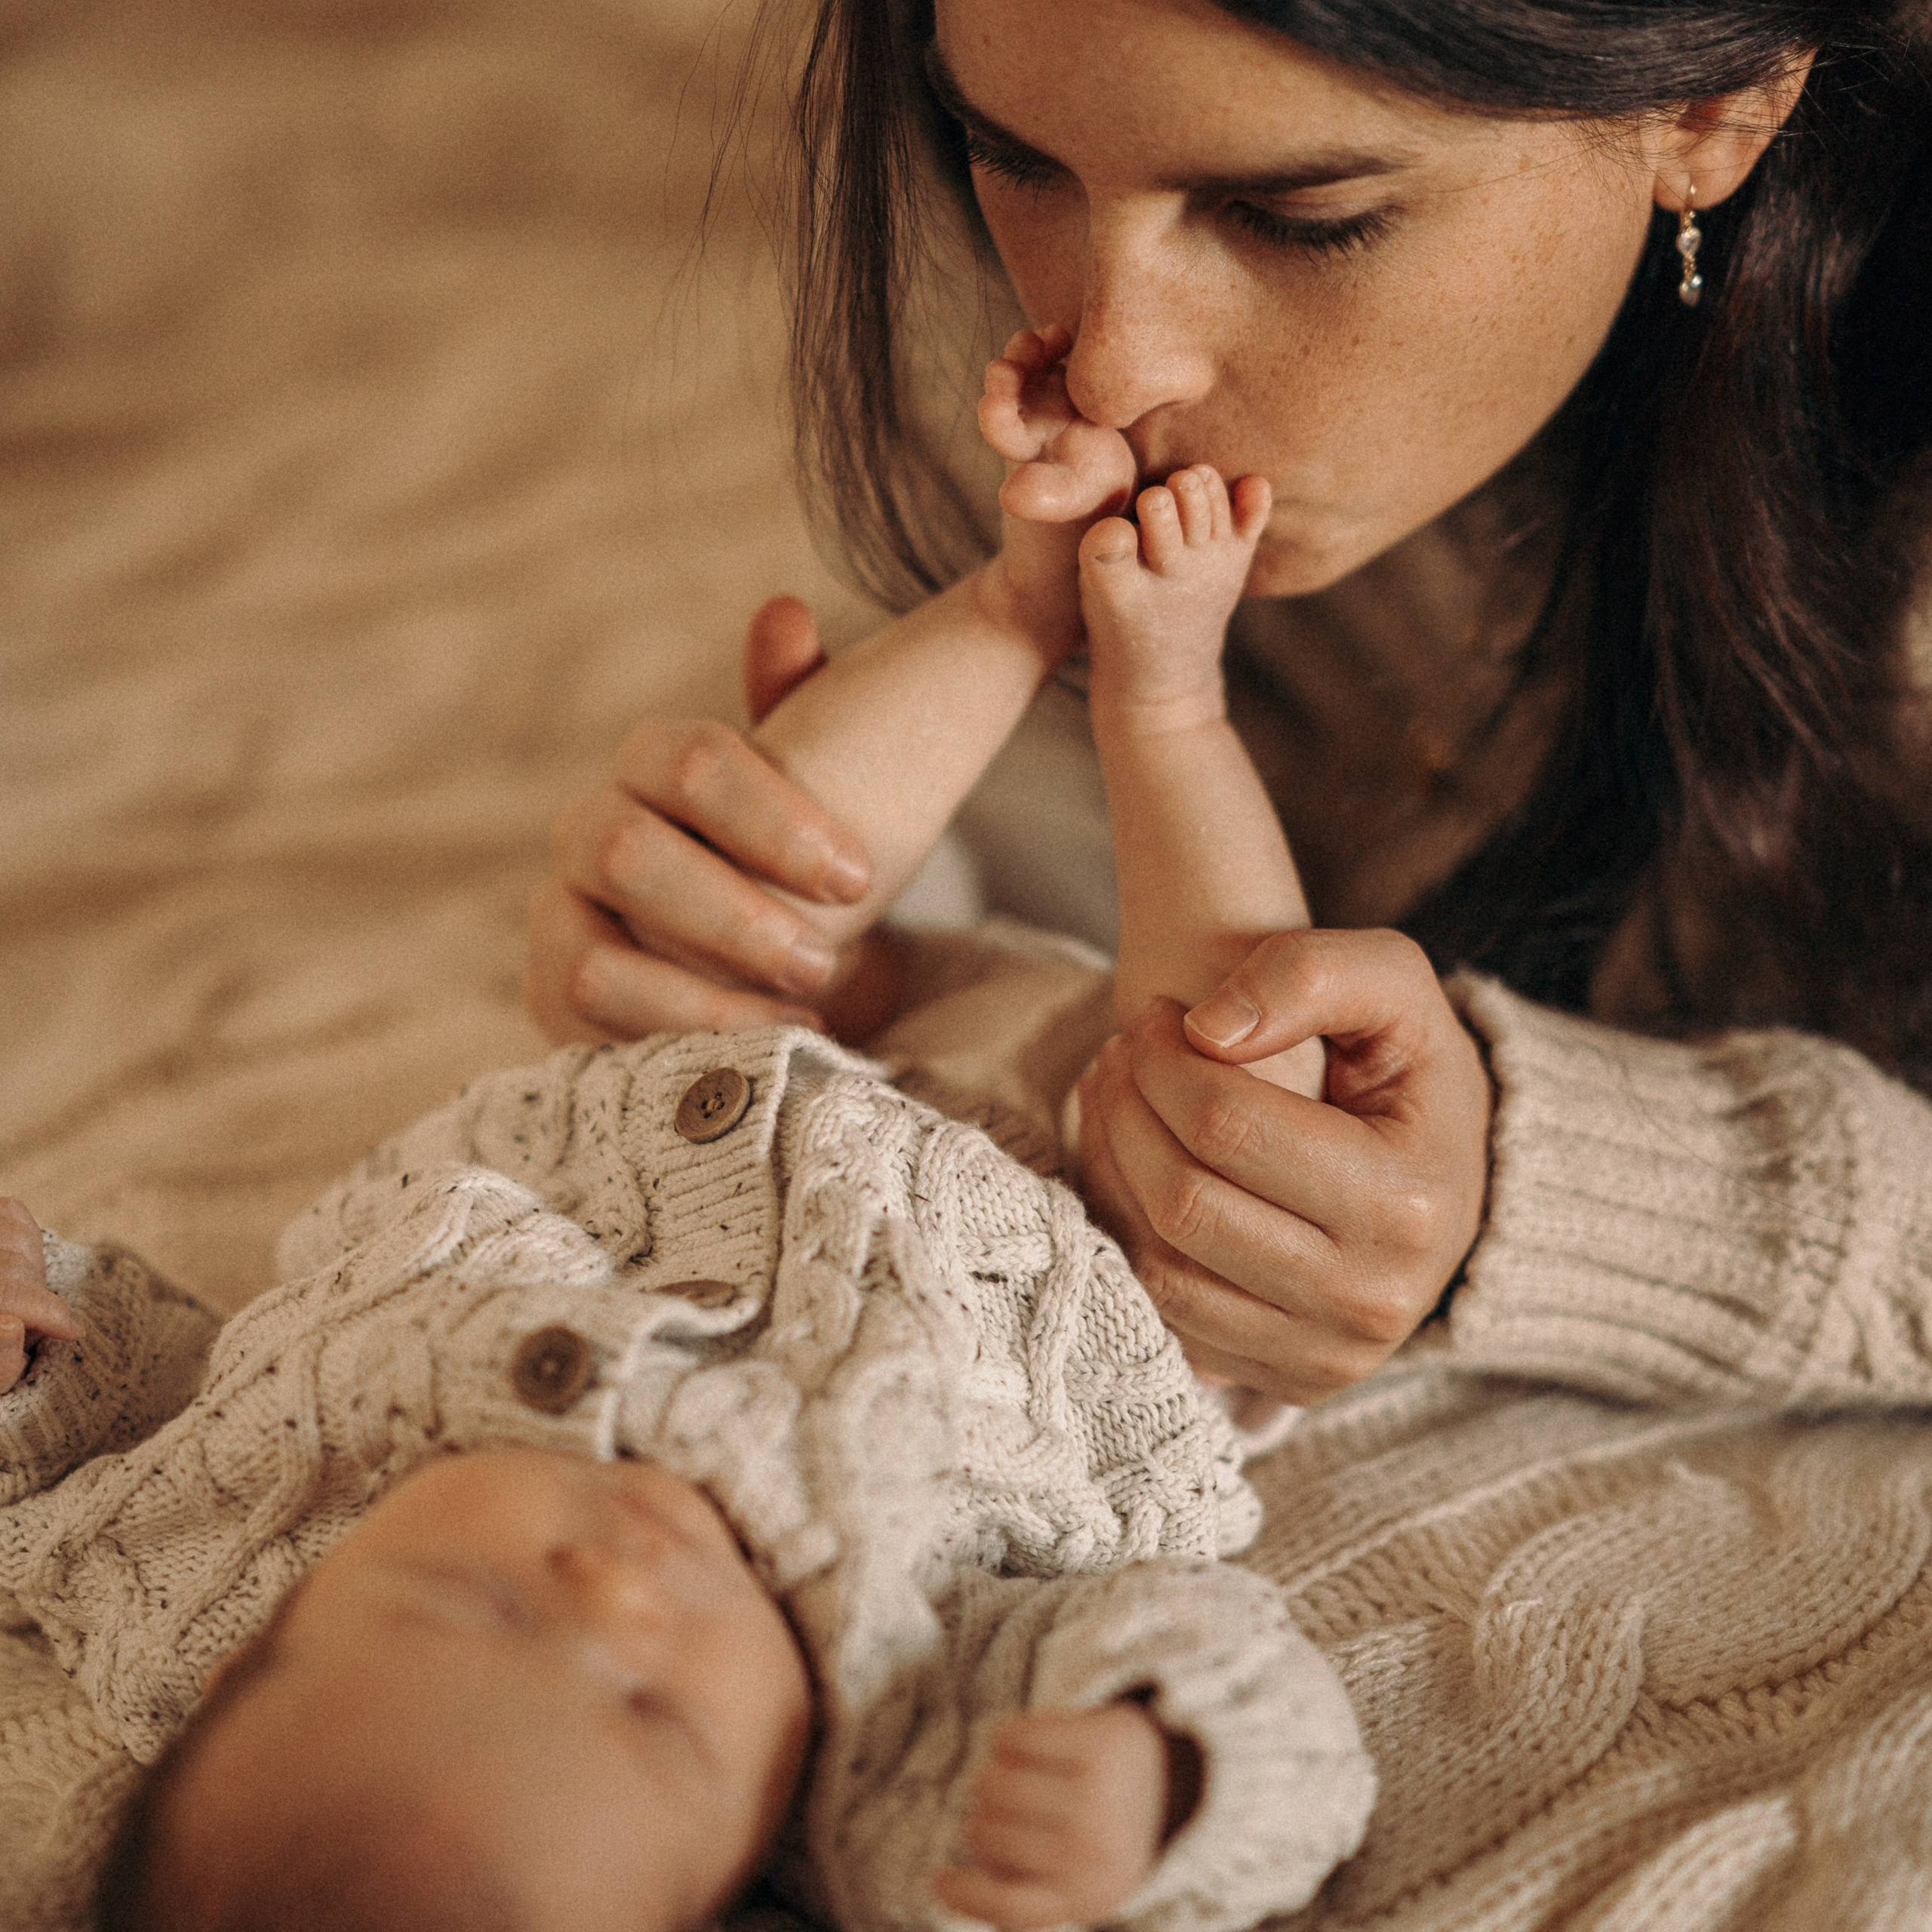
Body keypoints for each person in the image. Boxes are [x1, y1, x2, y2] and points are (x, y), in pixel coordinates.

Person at [0, 328, 1376, 1930]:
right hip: (1077, 1256)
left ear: (257, 1641)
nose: (611, 1590)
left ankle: (1015, 602)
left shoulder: (226, 1564)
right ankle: (1167, 698)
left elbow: (118, 1448)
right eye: (655, 1713)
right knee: (1239, 1107)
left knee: (730, 912)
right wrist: (1159, 1779)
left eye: (477, 1595)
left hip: (715, 1100)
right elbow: (1268, 1712)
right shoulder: (888, 1769)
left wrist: (36, 1358)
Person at [522, 0, 1932, 1408]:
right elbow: (1098, 769)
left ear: (1711, 109)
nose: (1111, 365)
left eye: (1297, 216)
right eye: (1008, 157)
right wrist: (888, 973)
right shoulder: (1059, 254)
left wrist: (1533, 1187)